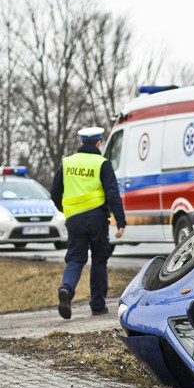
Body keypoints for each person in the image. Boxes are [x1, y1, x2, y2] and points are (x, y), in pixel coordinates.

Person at [51, 126, 125, 319]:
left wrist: (64, 209)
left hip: (74, 219)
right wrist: (121, 221)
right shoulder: (102, 163)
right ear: (99, 143)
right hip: (97, 219)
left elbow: (55, 192)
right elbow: (112, 193)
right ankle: (98, 305)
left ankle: (66, 289)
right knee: (99, 260)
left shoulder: (67, 163)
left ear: (81, 142)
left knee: (75, 259)